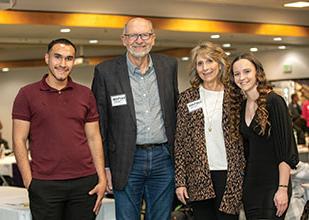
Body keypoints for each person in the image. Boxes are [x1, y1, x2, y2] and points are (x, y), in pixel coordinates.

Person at [92, 17, 178, 220]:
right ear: (124, 40)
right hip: (126, 161)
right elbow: (100, 124)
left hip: (163, 158)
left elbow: (174, 111)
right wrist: (104, 167)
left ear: (153, 39)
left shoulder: (169, 66)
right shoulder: (105, 72)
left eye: (145, 35)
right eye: (133, 35)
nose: (139, 40)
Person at [12, 38, 106, 220]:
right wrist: (29, 181)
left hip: (84, 183)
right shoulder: (26, 94)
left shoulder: (85, 94)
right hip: (45, 184)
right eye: (57, 57)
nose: (63, 64)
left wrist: (101, 179)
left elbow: (94, 137)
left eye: (69, 58)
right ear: (47, 58)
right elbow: (19, 140)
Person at [174, 42, 245, 220]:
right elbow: (180, 142)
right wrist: (180, 182)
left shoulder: (236, 95)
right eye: (199, 63)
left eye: (209, 61)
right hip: (198, 175)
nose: (205, 68)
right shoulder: (188, 97)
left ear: (220, 64)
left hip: (231, 174)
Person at [230, 52, 299, 219]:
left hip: (274, 184)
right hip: (251, 185)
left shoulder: (274, 101)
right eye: (237, 74)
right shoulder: (241, 106)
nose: (242, 77)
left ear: (257, 73)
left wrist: (282, 188)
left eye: (247, 71)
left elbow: (285, 149)